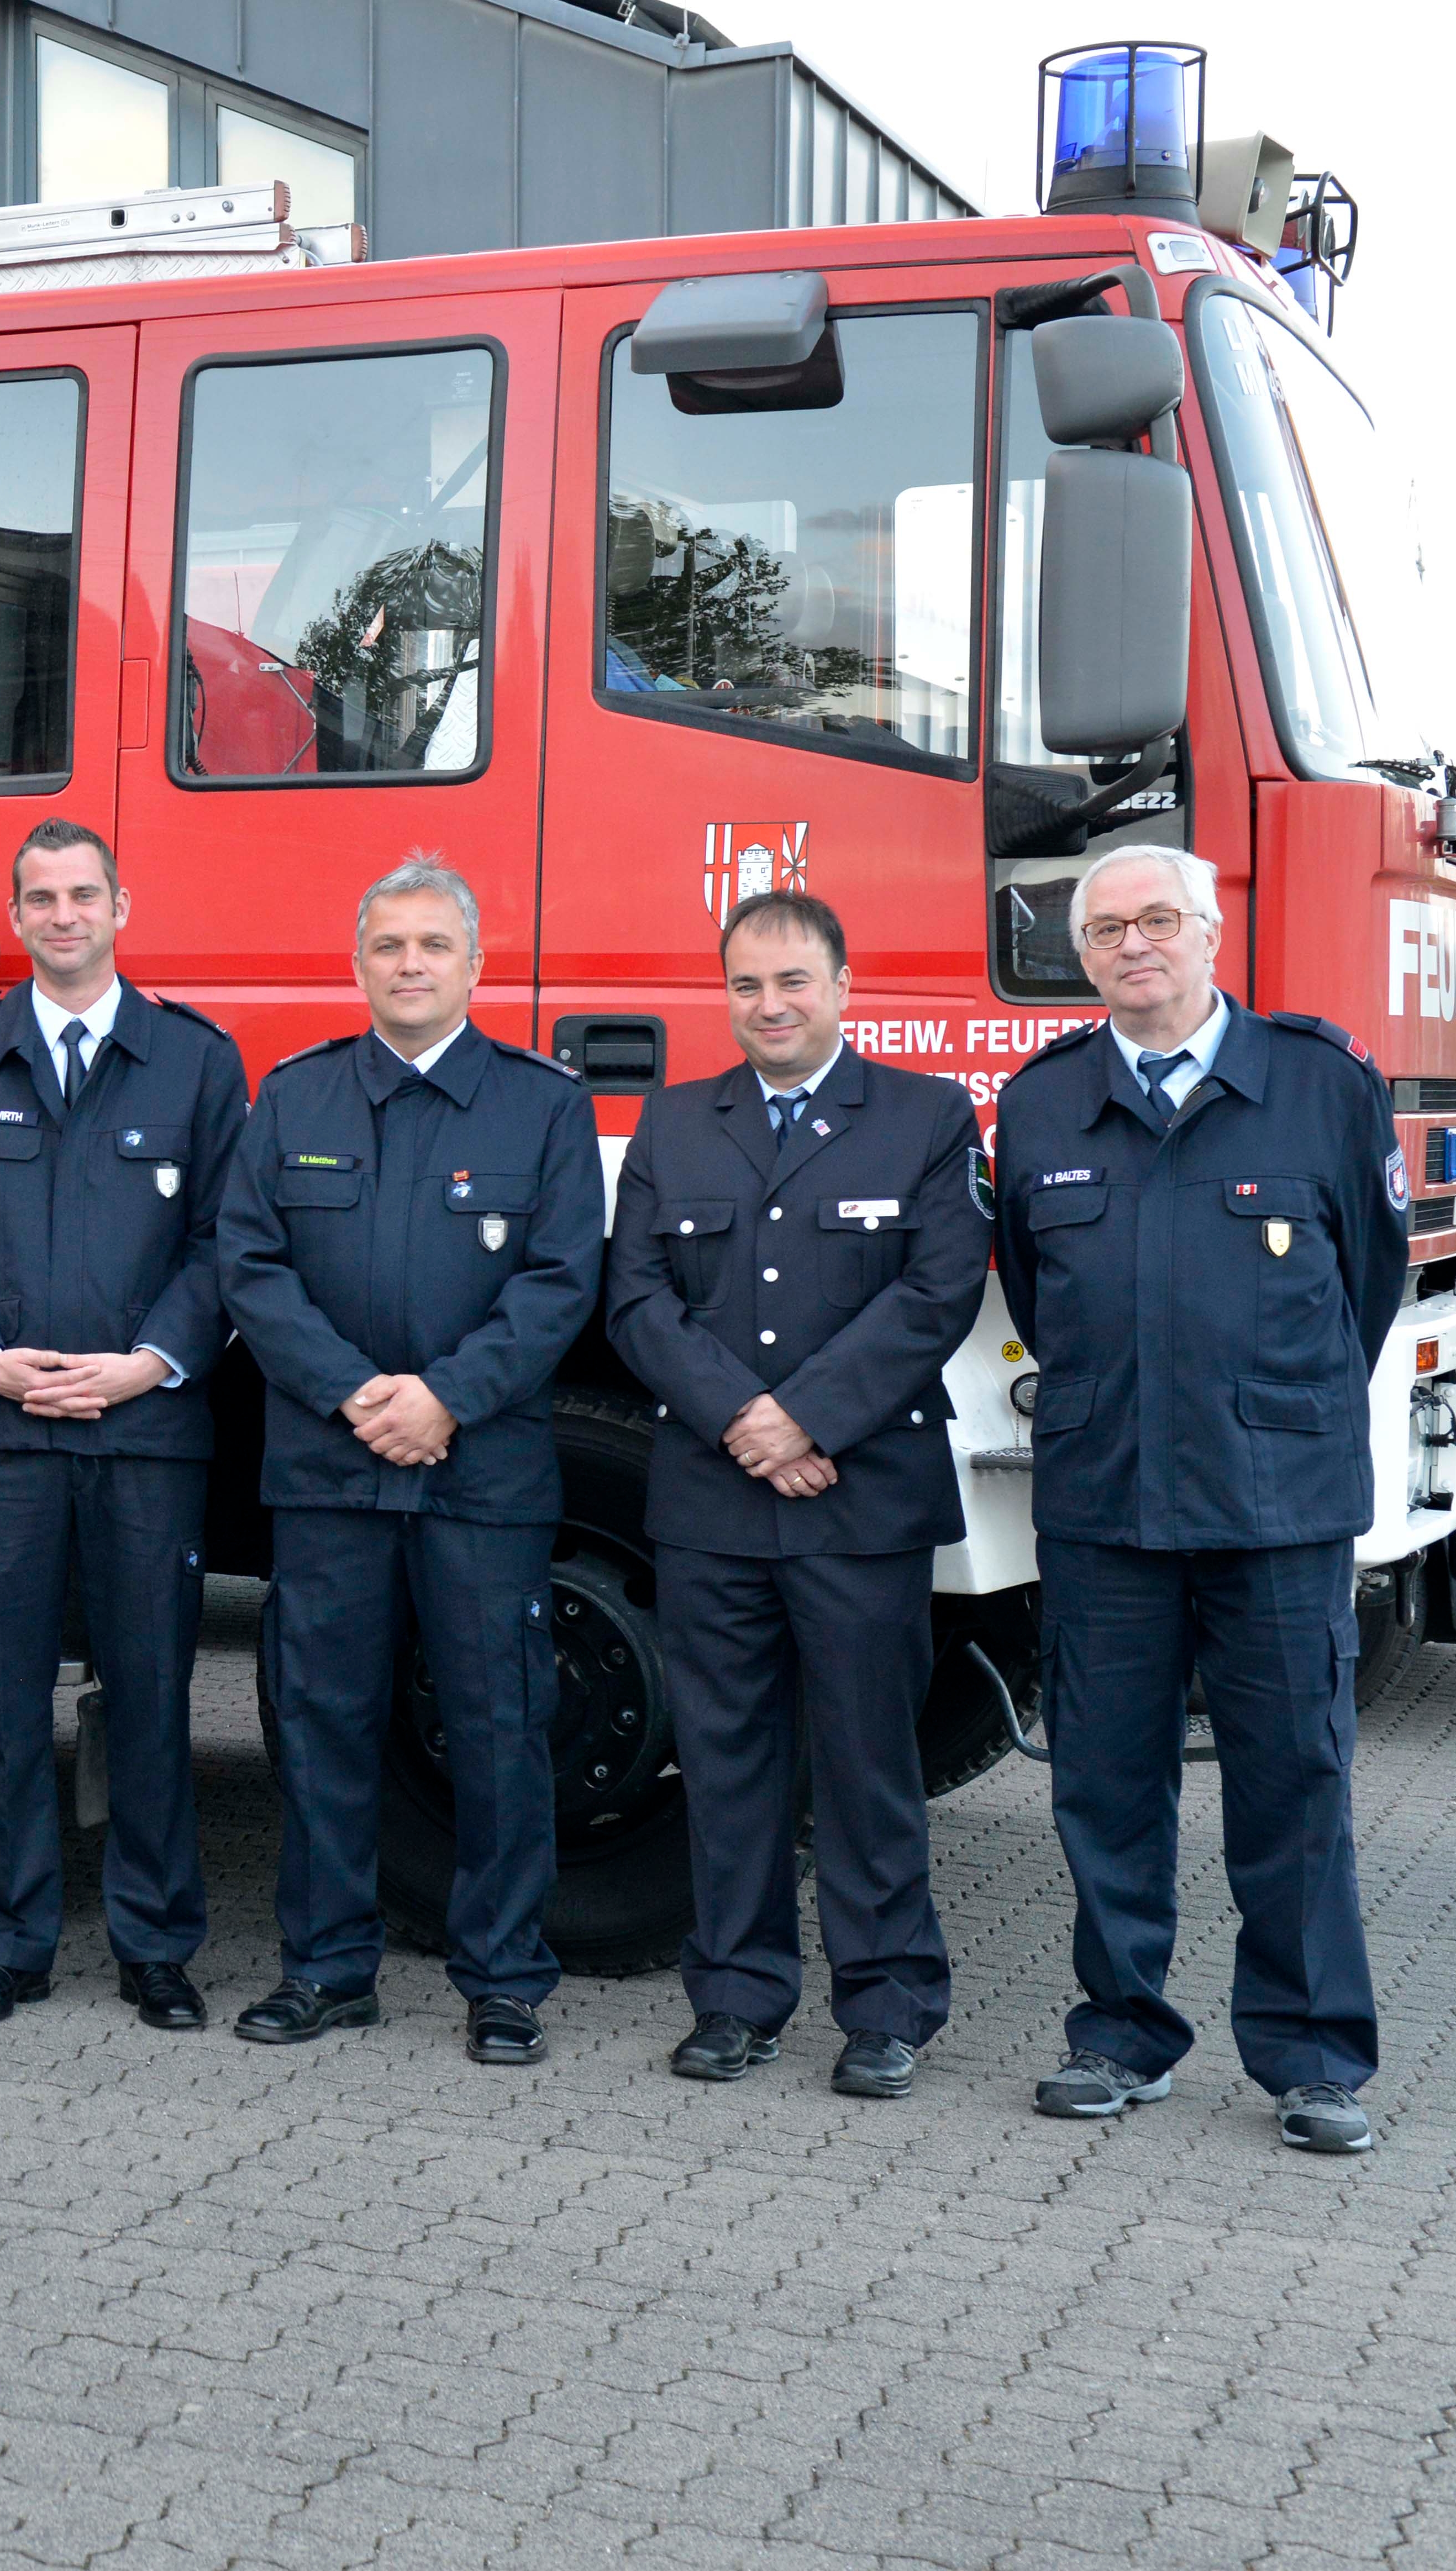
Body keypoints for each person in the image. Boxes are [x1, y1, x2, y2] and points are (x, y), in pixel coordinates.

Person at [993, 842, 1402, 2157]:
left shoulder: (1317, 1083)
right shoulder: (1043, 1101)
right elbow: (1036, 1291)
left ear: (1211, 932)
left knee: (1293, 1784)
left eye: (1155, 919)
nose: (1130, 945)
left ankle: (1311, 2055)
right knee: (1105, 1785)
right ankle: (1118, 2033)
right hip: (1105, 1498)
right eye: (1103, 928)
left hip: (1275, 1504)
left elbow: (1369, 1288)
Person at [216, 853, 599, 2065]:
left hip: (477, 1471)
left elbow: (558, 1283)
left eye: (433, 945)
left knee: (497, 1720)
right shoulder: (293, 1097)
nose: (409, 964)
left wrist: (443, 1397)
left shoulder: (541, 1104)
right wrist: (349, 1392)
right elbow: (249, 1265)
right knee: (325, 1720)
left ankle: (503, 1979)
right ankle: (325, 1967)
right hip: (329, 1470)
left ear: (475, 965)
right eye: (388, 946)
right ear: (358, 963)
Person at [601, 890, 982, 2100]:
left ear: (842, 985)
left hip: (856, 1498)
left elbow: (935, 1292)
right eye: (746, 985)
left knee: (868, 1761)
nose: (768, 1006)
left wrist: (803, 1418)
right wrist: (742, 1421)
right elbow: (634, 1298)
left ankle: (885, 2007)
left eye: (792, 982)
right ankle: (735, 1996)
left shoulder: (922, 1117)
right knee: (724, 1761)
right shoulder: (672, 1123)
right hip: (714, 1500)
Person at [0, 821, 246, 2031]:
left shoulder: (193, 1059)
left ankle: (154, 1943)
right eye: (37, 897)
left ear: (119, 905)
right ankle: (6, 1939)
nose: (60, 914)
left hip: (144, 1431)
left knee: (150, 1688)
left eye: (79, 893)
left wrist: (147, 1363)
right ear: (13, 917)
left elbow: (222, 1243)